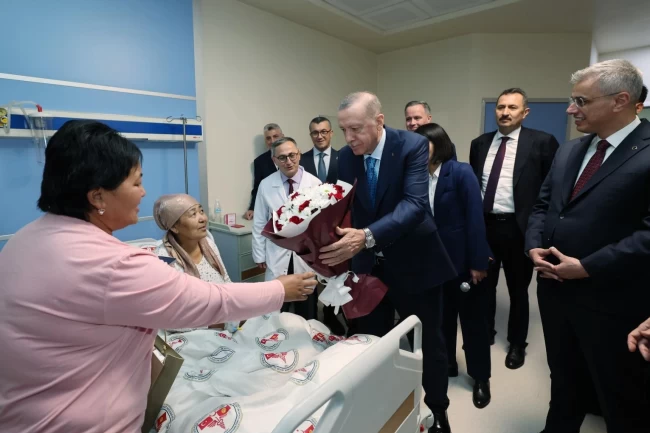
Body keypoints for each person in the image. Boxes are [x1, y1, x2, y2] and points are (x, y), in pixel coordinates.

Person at [0, 120, 317, 433]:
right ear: (98, 197)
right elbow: (207, 300)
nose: (143, 192)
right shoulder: (115, 264)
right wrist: (279, 290)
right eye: (136, 183)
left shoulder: (23, 240)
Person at [320, 92, 457, 433]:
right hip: (369, 268)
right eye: (343, 129)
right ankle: (381, 411)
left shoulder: (411, 145)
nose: (348, 138)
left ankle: (438, 410)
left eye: (356, 129)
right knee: (371, 345)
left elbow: (414, 205)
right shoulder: (345, 157)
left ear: (379, 121)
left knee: (430, 344)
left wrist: (366, 236)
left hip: (416, 261)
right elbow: (338, 205)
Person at [526, 59, 650, 433]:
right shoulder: (569, 150)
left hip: (612, 300)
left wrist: (587, 267)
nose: (571, 109)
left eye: (581, 101)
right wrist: (533, 246)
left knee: (619, 391)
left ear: (620, 100)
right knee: (564, 378)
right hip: (554, 292)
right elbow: (543, 206)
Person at [469, 88, 559, 369]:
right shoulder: (479, 144)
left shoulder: (542, 142)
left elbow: (552, 190)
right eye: (501, 107)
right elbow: (474, 187)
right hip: (485, 227)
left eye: (512, 107)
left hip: (520, 229)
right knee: (484, 286)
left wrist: (542, 232)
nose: (505, 112)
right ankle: (486, 332)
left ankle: (517, 343)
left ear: (525, 112)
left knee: (518, 291)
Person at [415, 123, 493, 409]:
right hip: (433, 265)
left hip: (462, 263)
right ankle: (448, 363)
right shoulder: (417, 176)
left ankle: (481, 376)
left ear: (439, 145)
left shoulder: (460, 172)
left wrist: (478, 262)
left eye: (424, 145)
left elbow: (475, 219)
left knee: (473, 322)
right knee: (441, 320)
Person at [252, 137, 322, 320]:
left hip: (305, 255)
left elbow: (321, 225)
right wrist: (259, 254)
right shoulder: (266, 184)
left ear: (299, 155)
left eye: (292, 155)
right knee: (275, 309)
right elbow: (259, 221)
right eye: (282, 157)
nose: (288, 161)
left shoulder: (314, 184)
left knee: (306, 309)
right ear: (274, 160)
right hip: (277, 253)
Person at [154, 193, 234, 333]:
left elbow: (226, 281)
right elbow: (166, 316)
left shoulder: (208, 244)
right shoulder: (164, 258)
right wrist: (210, 325)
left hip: (224, 322)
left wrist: (239, 306)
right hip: (190, 334)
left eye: (201, 211)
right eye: (193, 214)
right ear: (174, 227)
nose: (203, 218)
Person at [301, 116, 345, 334]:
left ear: (331, 133)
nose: (320, 136)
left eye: (324, 131)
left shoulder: (343, 158)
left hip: (336, 226)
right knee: (309, 271)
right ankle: (309, 317)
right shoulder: (302, 160)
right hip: (308, 227)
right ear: (310, 135)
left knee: (333, 272)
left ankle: (331, 315)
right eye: (315, 132)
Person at [244, 123, 283, 220]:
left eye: (275, 136)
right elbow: (258, 187)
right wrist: (252, 208)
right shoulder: (260, 162)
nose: (272, 141)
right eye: (268, 138)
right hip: (270, 211)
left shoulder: (294, 158)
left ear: (282, 136)